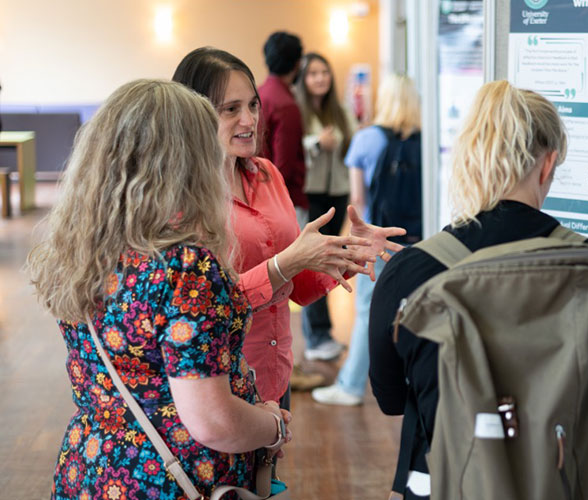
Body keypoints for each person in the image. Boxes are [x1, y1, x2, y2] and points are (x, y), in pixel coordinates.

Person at [367, 80, 588, 498]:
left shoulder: (410, 273)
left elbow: (391, 398)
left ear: (469, 160)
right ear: (548, 164)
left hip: (444, 481)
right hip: (556, 480)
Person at [29, 79, 291, 499]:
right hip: (171, 481)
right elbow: (213, 422)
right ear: (187, 165)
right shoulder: (185, 269)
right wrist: (272, 424)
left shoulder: (83, 251)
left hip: (91, 469)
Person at [172, 47, 405, 409]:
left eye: (252, 105)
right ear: (194, 114)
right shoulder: (179, 200)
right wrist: (285, 264)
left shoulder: (266, 174)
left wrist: (345, 252)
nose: (249, 120)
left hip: (274, 375)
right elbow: (199, 309)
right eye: (231, 109)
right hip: (217, 384)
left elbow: (296, 288)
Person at [312, 74, 422, 407]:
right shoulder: (425, 140)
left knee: (367, 311)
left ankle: (351, 386)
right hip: (418, 237)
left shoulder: (366, 139)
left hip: (377, 239)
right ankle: (415, 384)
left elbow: (357, 200)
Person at [293, 52, 357, 363]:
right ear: (303, 79)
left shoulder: (339, 111)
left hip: (338, 193)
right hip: (311, 194)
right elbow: (293, 148)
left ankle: (324, 333)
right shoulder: (298, 111)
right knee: (314, 263)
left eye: (324, 72)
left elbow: (351, 147)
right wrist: (317, 142)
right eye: (313, 73)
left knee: (331, 262)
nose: (320, 78)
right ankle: (316, 336)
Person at [258, 31, 308, 220]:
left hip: (257, 192)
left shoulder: (258, 93)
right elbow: (283, 167)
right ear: (297, 63)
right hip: (283, 201)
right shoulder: (286, 105)